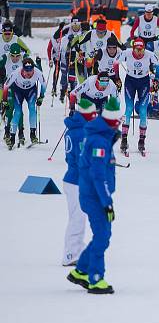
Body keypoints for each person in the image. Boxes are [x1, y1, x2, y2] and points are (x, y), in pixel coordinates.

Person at [67, 96, 122, 294]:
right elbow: (99, 176)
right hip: (95, 197)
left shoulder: (102, 137)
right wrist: (107, 203)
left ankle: (81, 270)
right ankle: (96, 278)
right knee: (102, 237)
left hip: (95, 195)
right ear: (113, 121)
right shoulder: (99, 142)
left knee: (103, 235)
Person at [62, 99, 97, 266]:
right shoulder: (82, 132)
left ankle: (77, 249)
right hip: (77, 181)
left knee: (78, 217)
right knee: (77, 218)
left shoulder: (73, 129)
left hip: (72, 178)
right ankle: (70, 254)